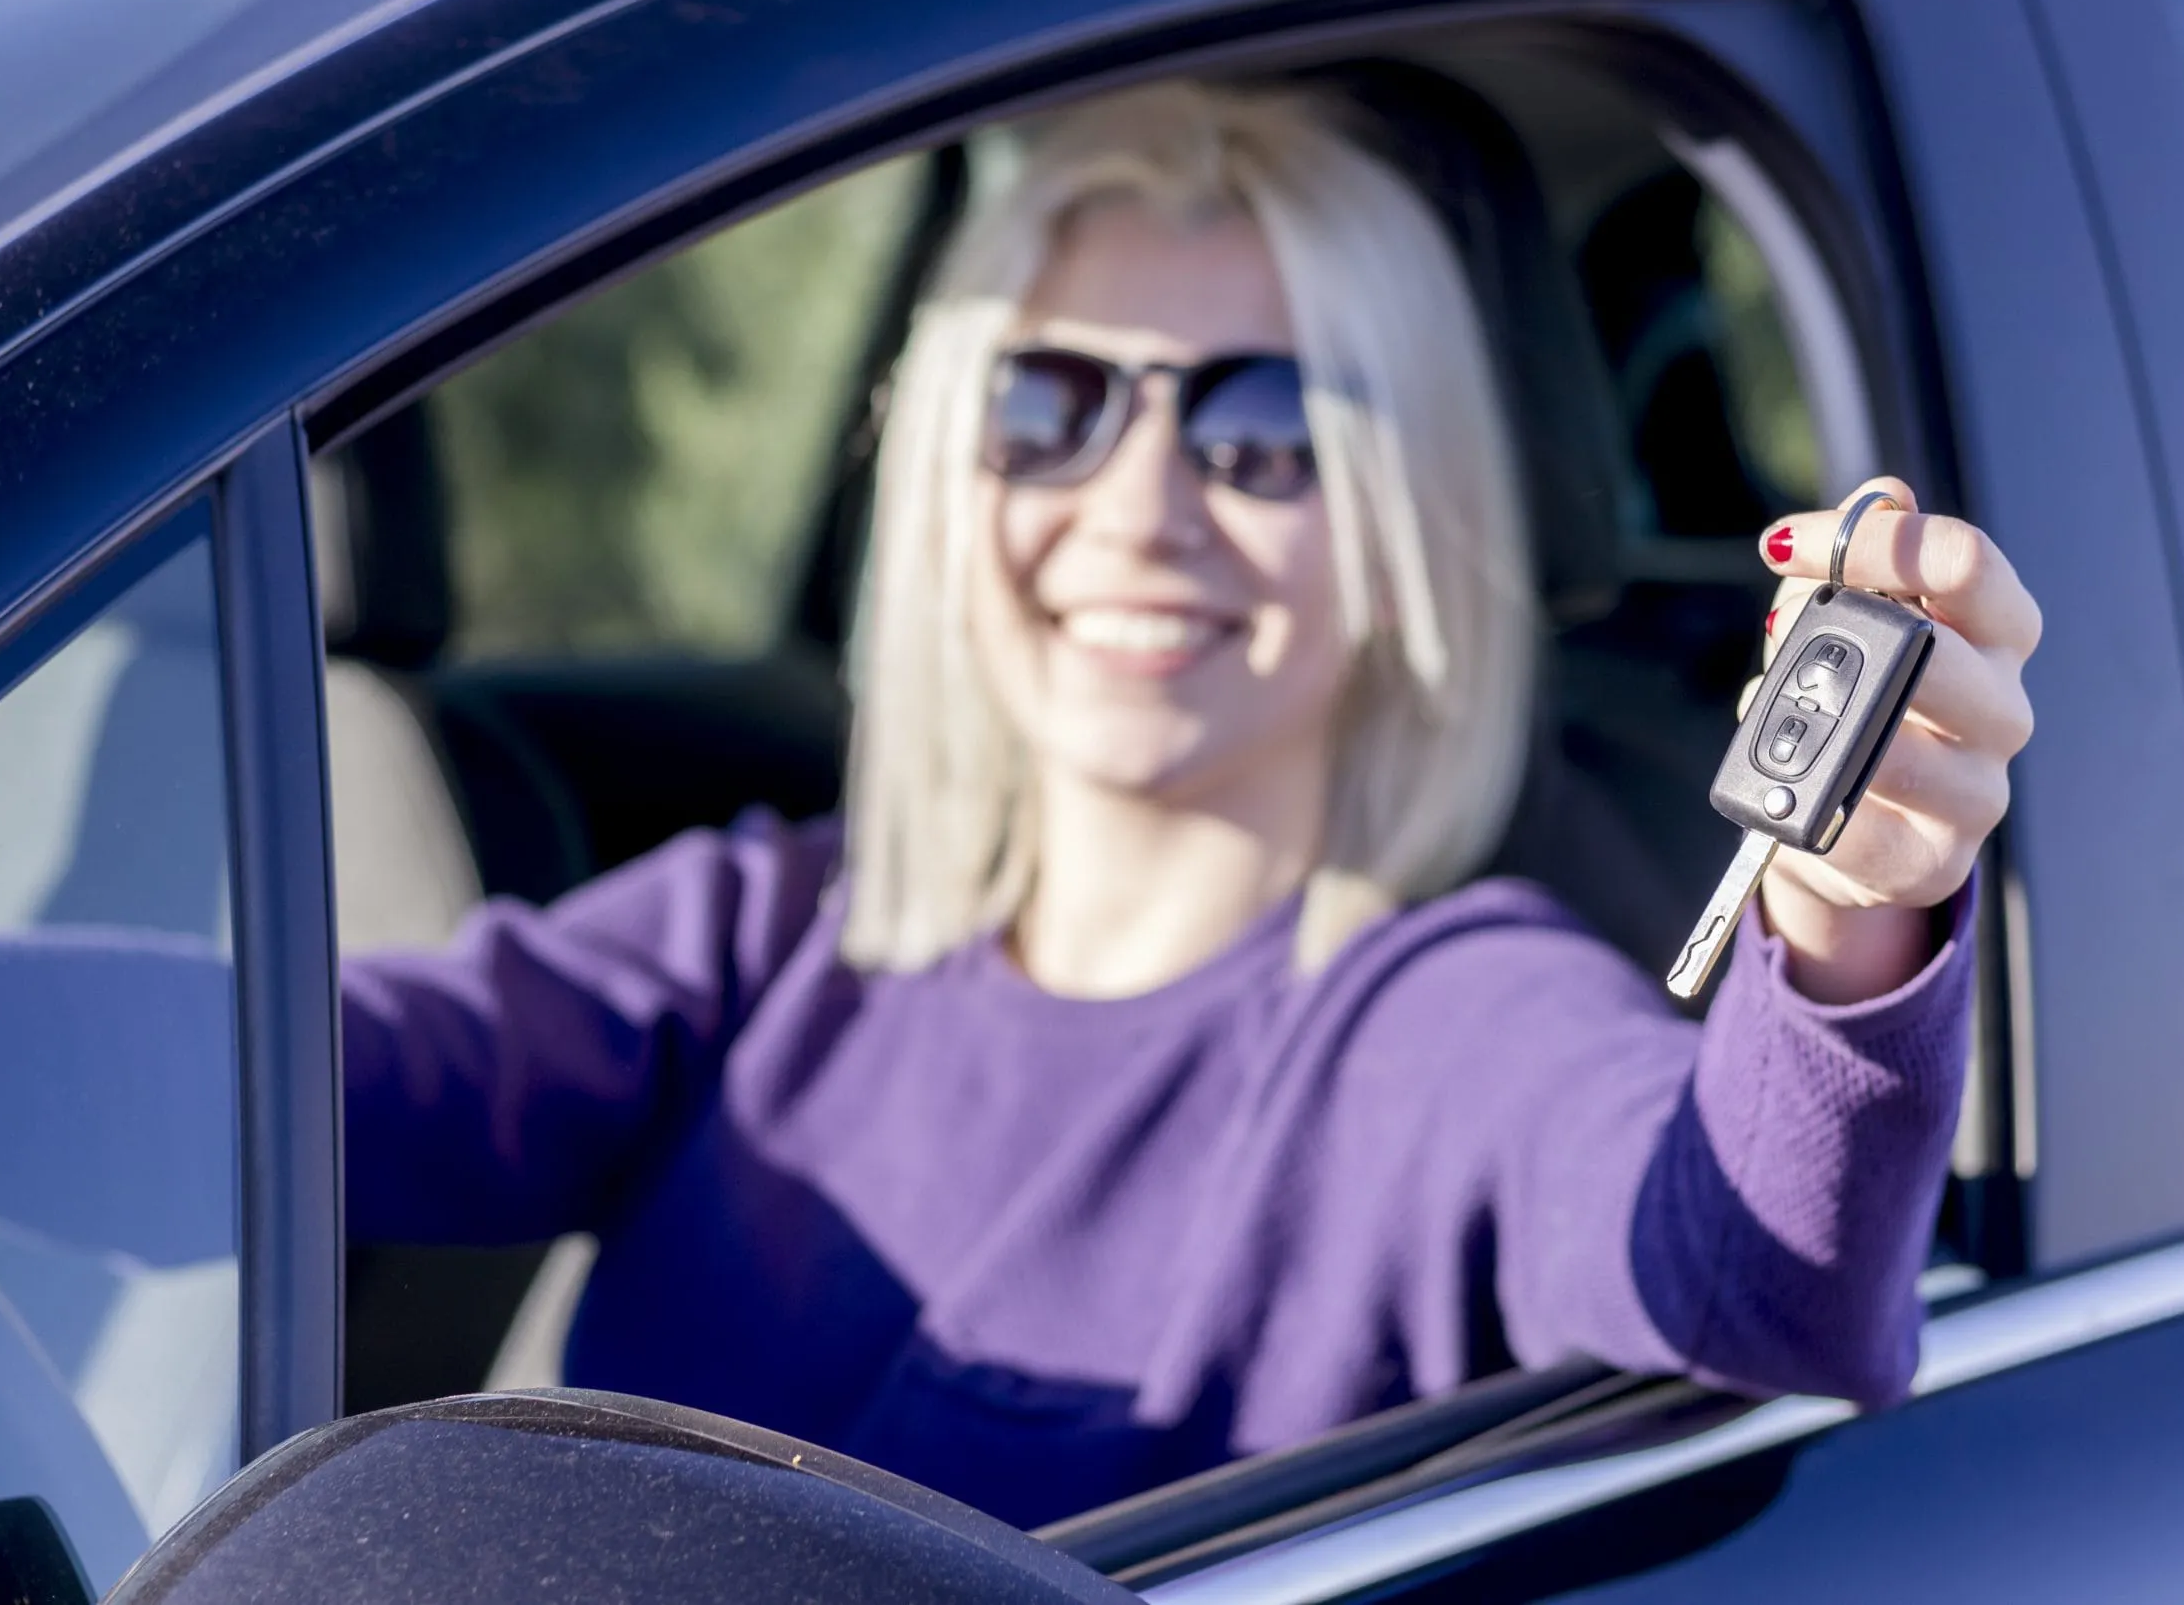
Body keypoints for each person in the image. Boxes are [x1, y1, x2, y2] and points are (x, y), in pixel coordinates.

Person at [342, 78, 2041, 1528]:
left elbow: (1756, 1283)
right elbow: (304, 1072)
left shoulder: (1440, 1024)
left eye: (1265, 426)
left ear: (1401, 525)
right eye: (1050, 406)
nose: (1140, 510)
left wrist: (1848, 907)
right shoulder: (764, 932)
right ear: (950, 476)